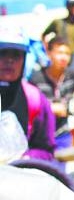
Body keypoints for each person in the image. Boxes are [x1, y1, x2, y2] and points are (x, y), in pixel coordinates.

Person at [0, 25, 56, 162]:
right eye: (2, 53)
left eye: (16, 55)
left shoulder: (35, 99)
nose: (9, 60)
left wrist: (26, 157)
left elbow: (47, 150)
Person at [29, 36, 74, 149]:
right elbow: (27, 105)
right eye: (60, 53)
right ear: (48, 53)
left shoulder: (72, 75)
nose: (64, 57)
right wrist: (48, 108)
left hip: (64, 135)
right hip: (40, 138)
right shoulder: (36, 78)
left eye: (67, 53)